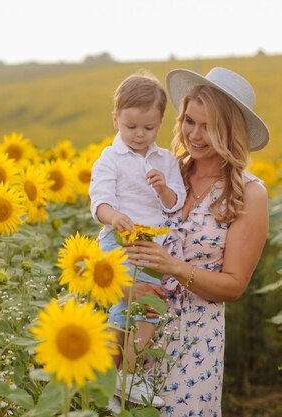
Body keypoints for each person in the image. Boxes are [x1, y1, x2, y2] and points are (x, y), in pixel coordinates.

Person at [123, 67, 270, 416]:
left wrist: (171, 265)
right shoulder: (166, 175)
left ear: (230, 131)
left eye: (209, 126)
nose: (195, 135)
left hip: (194, 343)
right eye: (190, 121)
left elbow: (234, 287)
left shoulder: (249, 193)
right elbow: (122, 241)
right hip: (139, 330)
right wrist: (126, 288)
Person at [89, 72, 186, 407]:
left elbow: (177, 203)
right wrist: (113, 216)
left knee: (136, 308)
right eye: (131, 127)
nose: (139, 134)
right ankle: (127, 379)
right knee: (137, 304)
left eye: (148, 128)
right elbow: (99, 200)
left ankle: (112, 384)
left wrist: (163, 189)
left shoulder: (166, 161)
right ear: (116, 119)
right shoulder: (110, 158)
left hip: (151, 244)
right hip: (119, 240)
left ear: (160, 122)